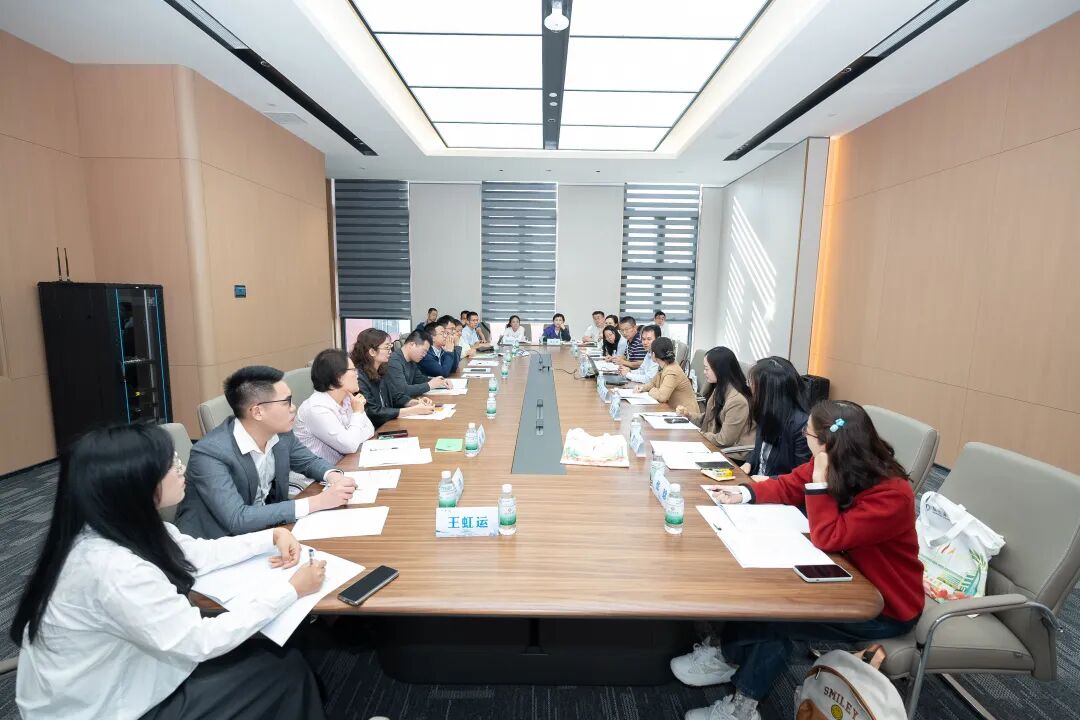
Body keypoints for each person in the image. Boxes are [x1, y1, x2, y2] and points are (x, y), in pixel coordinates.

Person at [12, 424, 329, 720]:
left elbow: (199, 554)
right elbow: (200, 640)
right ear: (134, 482)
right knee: (285, 671)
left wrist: (270, 537)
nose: (181, 468)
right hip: (100, 708)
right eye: (170, 464)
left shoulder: (120, 527)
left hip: (130, 671)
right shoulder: (113, 568)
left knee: (276, 658)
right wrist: (291, 589)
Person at [673, 401, 923, 720]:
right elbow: (791, 484)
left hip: (883, 603)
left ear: (826, 444)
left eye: (808, 433)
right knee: (759, 589)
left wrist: (819, 481)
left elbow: (828, 536)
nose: (804, 437)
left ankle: (743, 707)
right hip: (841, 571)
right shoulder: (839, 460)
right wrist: (746, 494)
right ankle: (729, 656)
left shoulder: (893, 494)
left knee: (778, 615)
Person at [175, 366, 355, 540]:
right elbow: (237, 518)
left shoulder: (281, 434)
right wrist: (318, 502)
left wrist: (333, 476)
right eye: (286, 402)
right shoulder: (209, 453)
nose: (293, 407)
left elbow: (309, 462)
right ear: (257, 412)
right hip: (215, 545)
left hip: (266, 533)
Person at [293, 349, 374, 464]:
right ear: (338, 376)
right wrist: (357, 413)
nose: (357, 375)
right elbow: (350, 446)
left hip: (344, 464)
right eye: (353, 370)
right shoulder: (316, 408)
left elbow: (370, 430)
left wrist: (352, 438)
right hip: (318, 474)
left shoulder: (347, 398)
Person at [742, 356, 811, 478]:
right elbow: (761, 450)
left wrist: (768, 480)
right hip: (754, 480)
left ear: (768, 390)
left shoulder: (801, 425)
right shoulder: (766, 411)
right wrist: (749, 462)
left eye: (751, 383)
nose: (749, 387)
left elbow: (801, 477)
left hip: (775, 487)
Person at [350, 328, 434, 427]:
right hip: (374, 429)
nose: (390, 351)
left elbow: (395, 396)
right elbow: (372, 411)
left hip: (387, 424)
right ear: (372, 351)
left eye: (390, 347)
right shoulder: (358, 377)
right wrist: (411, 411)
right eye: (387, 348)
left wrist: (415, 402)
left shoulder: (381, 371)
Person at [675, 346, 755, 450]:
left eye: (706, 369)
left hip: (729, 453)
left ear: (719, 370)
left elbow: (724, 440)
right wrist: (688, 415)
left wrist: (698, 434)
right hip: (713, 444)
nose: (704, 372)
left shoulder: (737, 401)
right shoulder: (719, 388)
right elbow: (707, 420)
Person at [634, 337, 697, 410]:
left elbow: (662, 397)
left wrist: (651, 391)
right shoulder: (664, 365)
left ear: (653, 354)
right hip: (674, 410)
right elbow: (653, 383)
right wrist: (642, 388)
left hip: (686, 413)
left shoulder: (672, 371)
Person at [386, 329, 450, 400]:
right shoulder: (394, 361)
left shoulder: (412, 360)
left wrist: (439, 382)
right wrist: (430, 385)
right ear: (412, 344)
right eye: (424, 351)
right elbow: (403, 390)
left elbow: (419, 379)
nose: (425, 355)